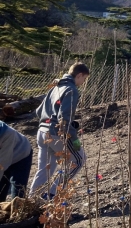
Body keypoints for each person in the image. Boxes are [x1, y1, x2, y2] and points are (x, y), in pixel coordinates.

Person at [29, 62, 89, 198]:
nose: (83, 82)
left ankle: (32, 200)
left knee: (44, 170)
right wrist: (75, 142)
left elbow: (39, 111)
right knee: (79, 160)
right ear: (79, 75)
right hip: (55, 133)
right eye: (84, 79)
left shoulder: (55, 88)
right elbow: (65, 119)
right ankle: (52, 193)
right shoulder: (71, 89)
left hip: (42, 132)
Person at [0, 121, 33, 201]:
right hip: (3, 158)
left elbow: (2, 164)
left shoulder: (7, 133)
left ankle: (18, 212)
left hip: (21, 155)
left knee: (17, 192)